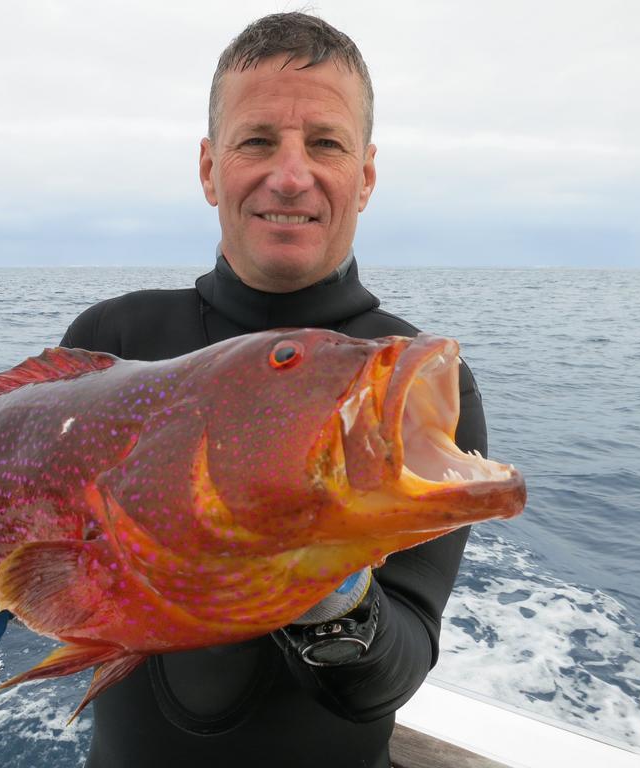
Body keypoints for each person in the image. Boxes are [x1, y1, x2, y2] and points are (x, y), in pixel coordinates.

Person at [61, 13, 487, 768]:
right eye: (257, 140)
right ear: (208, 168)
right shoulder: (110, 344)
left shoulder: (413, 390)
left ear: (365, 176)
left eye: (325, 143)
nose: (290, 175)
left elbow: (396, 666)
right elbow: (54, 567)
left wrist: (334, 596)